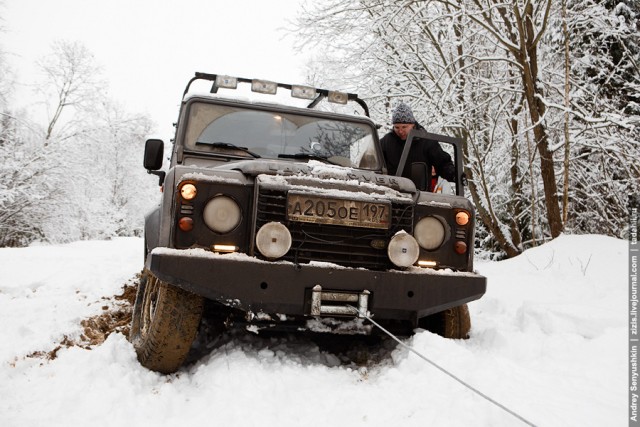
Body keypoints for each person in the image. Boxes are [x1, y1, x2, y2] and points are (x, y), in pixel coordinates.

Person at [380, 103, 455, 191]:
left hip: (419, 195)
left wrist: (453, 175)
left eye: (404, 127)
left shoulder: (426, 141)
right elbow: (374, 161)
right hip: (392, 192)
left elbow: (442, 163)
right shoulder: (387, 141)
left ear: (412, 124)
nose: (400, 131)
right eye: (397, 127)